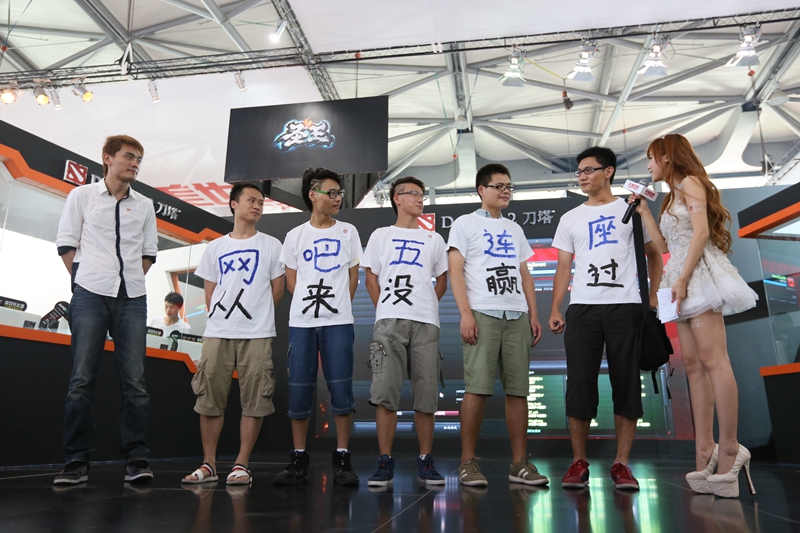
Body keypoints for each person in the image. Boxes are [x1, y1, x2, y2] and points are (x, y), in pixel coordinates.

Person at [631, 134, 757, 498]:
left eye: (652, 158)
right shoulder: (670, 196)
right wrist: (643, 212)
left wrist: (684, 278)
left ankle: (730, 449)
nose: (648, 165)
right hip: (680, 278)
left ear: (668, 157)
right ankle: (704, 451)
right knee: (692, 363)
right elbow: (664, 246)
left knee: (714, 360)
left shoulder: (690, 183)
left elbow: (701, 233)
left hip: (697, 275)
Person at [549, 146, 663, 491]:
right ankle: (578, 462)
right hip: (583, 308)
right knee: (579, 384)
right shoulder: (570, 218)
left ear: (608, 171)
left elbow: (656, 252)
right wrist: (555, 307)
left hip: (625, 306)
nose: (582, 177)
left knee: (626, 383)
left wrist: (652, 295)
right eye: (579, 172)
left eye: (589, 170)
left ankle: (622, 463)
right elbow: (564, 267)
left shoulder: (630, 209)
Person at [54, 135, 157, 485]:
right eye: (129, 156)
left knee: (136, 382)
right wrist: (85, 280)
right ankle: (76, 460)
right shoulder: (81, 196)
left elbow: (148, 253)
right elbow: (66, 243)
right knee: (81, 380)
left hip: (133, 298)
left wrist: (129, 281)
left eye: (139, 159)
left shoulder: (145, 205)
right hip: (89, 295)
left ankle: (137, 458)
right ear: (108, 158)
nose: (135, 163)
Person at [448, 163, 548, 488]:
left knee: (518, 390)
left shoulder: (514, 229)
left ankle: (519, 464)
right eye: (499, 186)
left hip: (516, 315)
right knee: (477, 388)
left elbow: (525, 274)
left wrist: (533, 314)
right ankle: (467, 462)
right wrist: (465, 313)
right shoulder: (464, 224)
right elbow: (455, 271)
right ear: (482, 190)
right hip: (482, 312)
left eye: (509, 187)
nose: (506, 191)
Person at [182, 183, 284, 486]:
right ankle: (209, 464)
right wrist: (222, 318)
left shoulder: (272, 245)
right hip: (218, 331)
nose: (257, 206)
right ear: (233, 204)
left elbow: (277, 289)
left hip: (257, 333)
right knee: (209, 397)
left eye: (261, 202)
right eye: (251, 200)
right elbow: (210, 292)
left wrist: (256, 313)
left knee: (255, 398)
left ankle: (242, 464)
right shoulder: (215, 247)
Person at [273, 168, 361, 486]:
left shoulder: (348, 232)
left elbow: (353, 278)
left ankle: (342, 457)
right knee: (299, 389)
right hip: (302, 322)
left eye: (340, 193)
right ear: (313, 195)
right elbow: (292, 282)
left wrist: (337, 307)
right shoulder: (295, 236)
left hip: (338, 322)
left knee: (341, 389)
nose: (338, 198)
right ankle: (299, 457)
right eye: (332, 193)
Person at [361, 176, 448, 487]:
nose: (420, 199)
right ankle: (385, 461)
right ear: (397, 198)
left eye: (422, 194)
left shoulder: (433, 239)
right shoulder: (381, 235)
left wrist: (425, 305)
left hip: (426, 322)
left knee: (426, 395)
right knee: (385, 393)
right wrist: (384, 308)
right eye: (413, 193)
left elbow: (442, 280)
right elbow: (371, 278)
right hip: (389, 321)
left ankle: (425, 460)